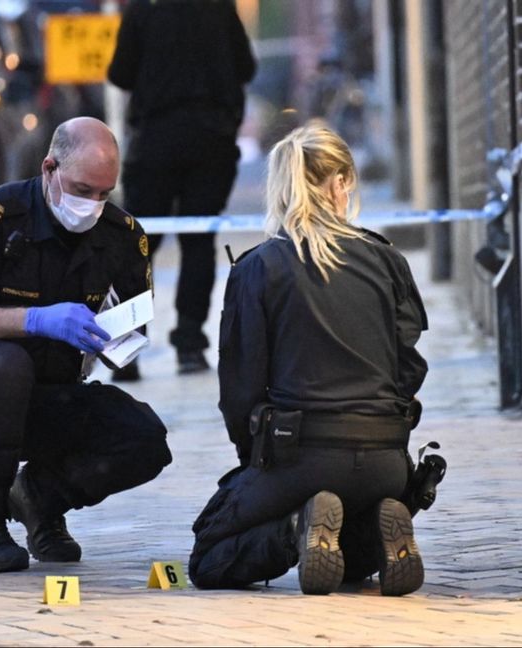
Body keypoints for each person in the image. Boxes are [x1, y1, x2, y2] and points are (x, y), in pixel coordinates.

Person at [187, 121, 429, 596]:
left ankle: (296, 526)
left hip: (302, 456)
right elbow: (410, 369)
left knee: (209, 555)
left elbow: (239, 387)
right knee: (345, 561)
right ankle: (375, 528)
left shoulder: (258, 268)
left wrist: (255, 462)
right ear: (340, 184)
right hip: (386, 459)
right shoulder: (387, 260)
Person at [0, 117, 172, 573]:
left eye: (103, 194)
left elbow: (134, 331)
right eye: (81, 189)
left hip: (53, 388)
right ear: (49, 168)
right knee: (5, 364)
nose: (91, 205)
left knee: (143, 437)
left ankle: (38, 498)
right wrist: (35, 320)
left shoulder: (121, 236)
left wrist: (115, 339)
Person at [107, 0, 256, 377]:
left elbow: (121, 74)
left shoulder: (142, 11)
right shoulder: (219, 9)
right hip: (212, 139)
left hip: (155, 139)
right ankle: (190, 345)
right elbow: (246, 67)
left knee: (140, 243)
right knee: (198, 239)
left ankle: (128, 349)